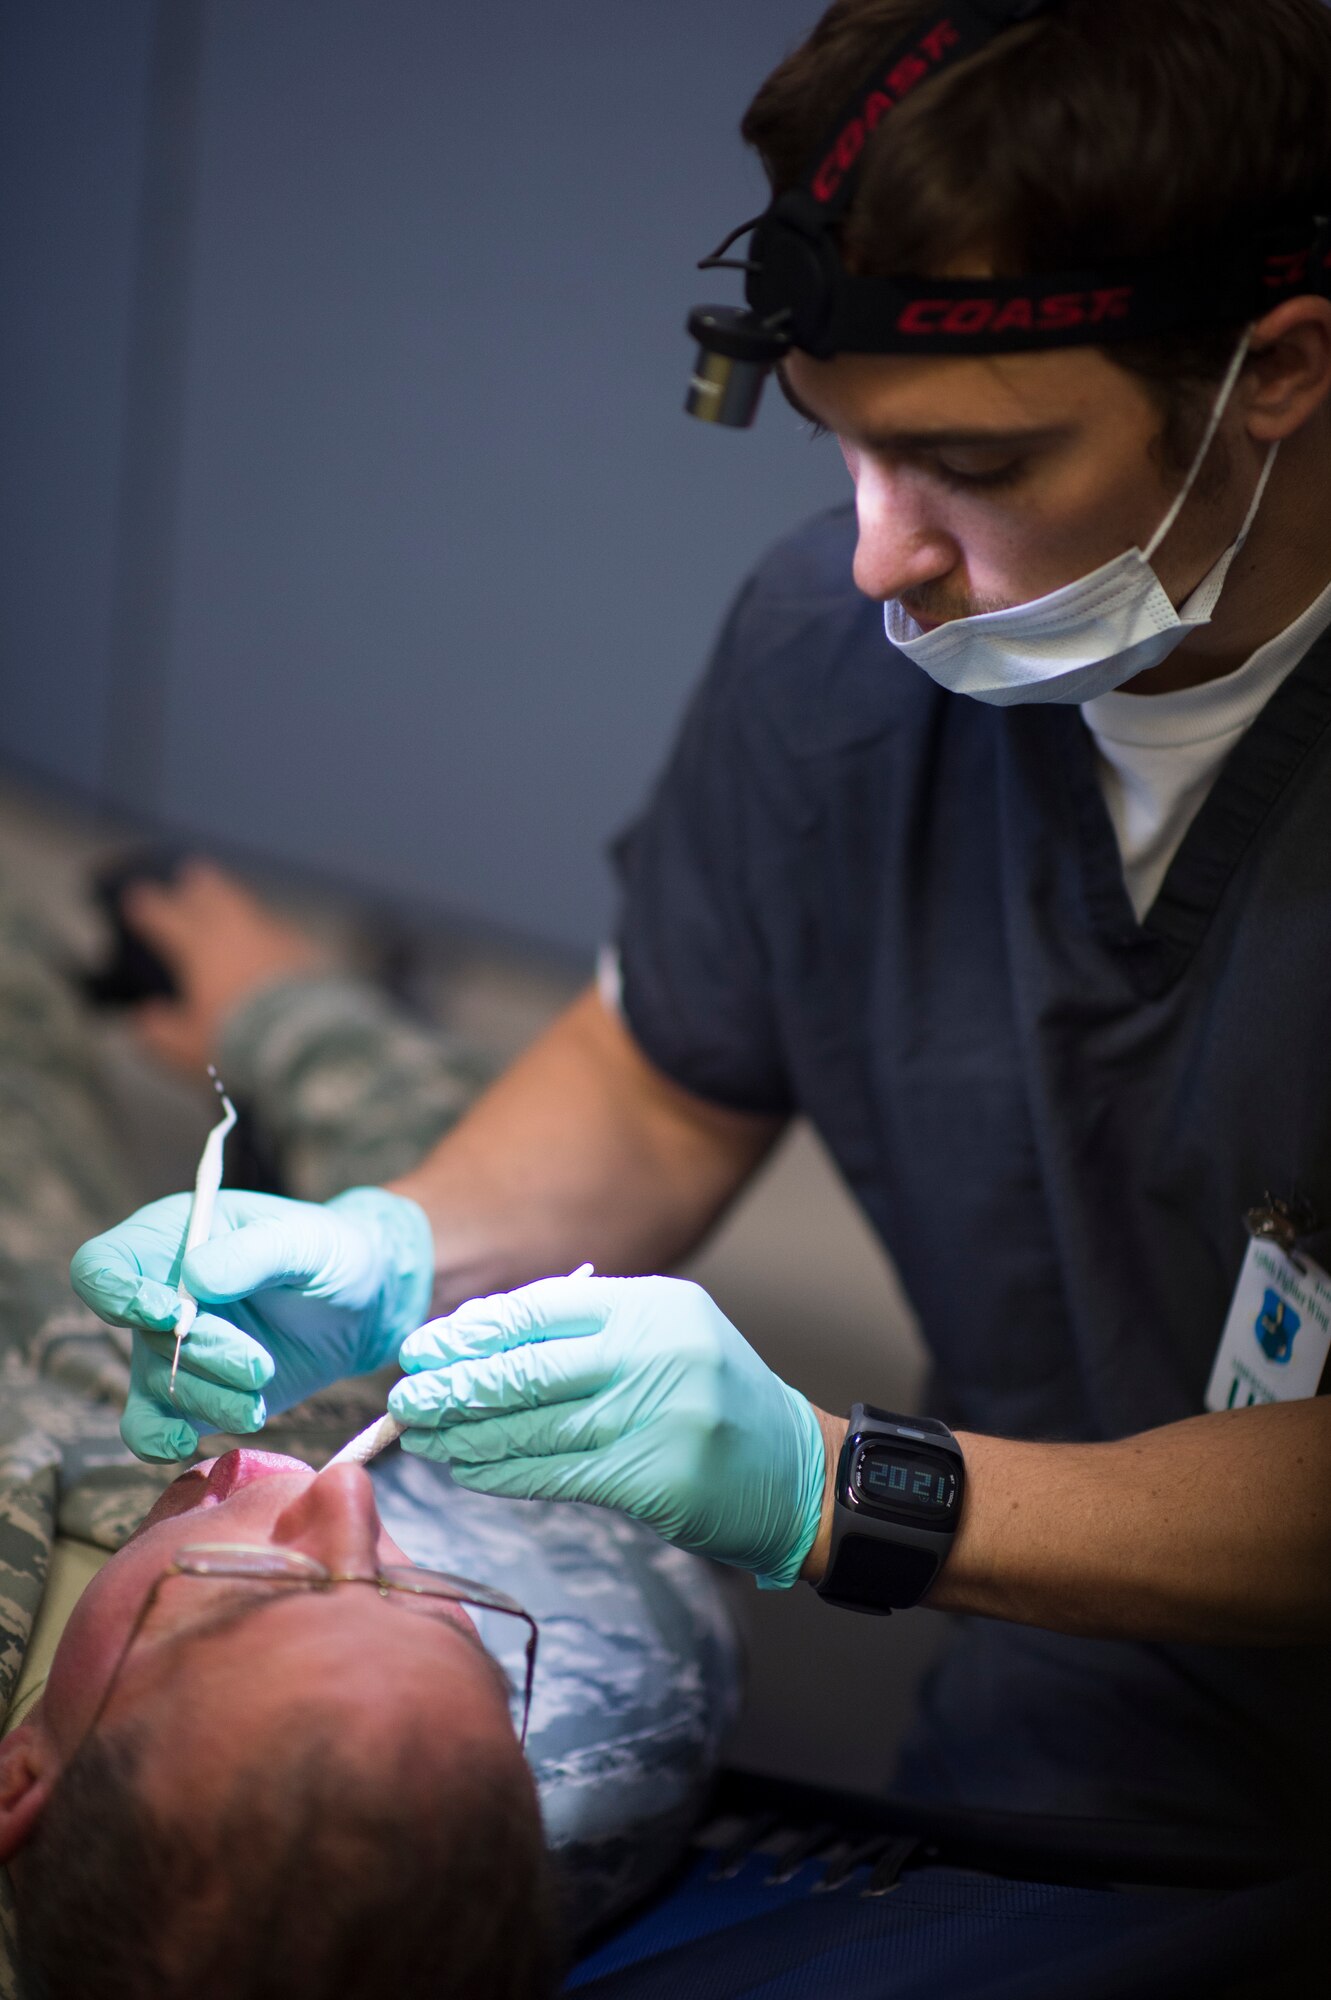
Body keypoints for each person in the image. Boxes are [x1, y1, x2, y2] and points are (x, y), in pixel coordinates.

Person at [72, 0, 1331, 1880]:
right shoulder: (839, 673)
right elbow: (669, 1087)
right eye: (844, 452)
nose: (875, 560)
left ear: (1276, 371)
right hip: (1040, 1771)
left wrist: (843, 1492)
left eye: (975, 470)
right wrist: (395, 1246)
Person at [0, 874, 740, 2000]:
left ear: (21, 1774)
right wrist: (285, 1014)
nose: (346, 1503)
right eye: (436, 1614)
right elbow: (527, 1187)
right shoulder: (601, 1674)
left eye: (240, 1585)